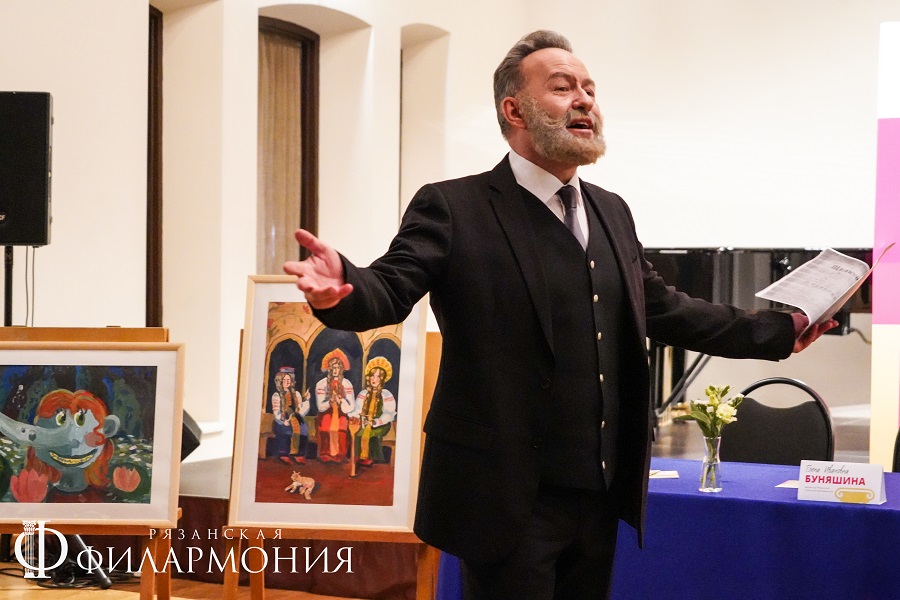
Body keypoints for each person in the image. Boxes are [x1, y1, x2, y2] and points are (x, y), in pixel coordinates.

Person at [283, 30, 836, 600]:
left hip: (598, 495)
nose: (584, 100)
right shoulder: (454, 206)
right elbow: (390, 287)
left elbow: (664, 307)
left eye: (589, 89)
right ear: (514, 110)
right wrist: (343, 288)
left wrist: (779, 329)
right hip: (503, 499)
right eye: (563, 87)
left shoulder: (610, 210)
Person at [350, 357, 397, 467]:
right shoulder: (363, 393)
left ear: (382, 379)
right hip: (364, 422)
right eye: (372, 375)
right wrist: (358, 419)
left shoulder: (386, 394)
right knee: (358, 434)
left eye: (378, 376)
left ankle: (371, 457)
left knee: (373, 435)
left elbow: (389, 414)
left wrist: (375, 422)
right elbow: (357, 410)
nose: (374, 379)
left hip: (381, 424)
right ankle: (359, 456)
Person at [314, 349, 355, 463]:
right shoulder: (321, 384)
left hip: (341, 412)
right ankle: (325, 453)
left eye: (338, 367)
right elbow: (320, 406)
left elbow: (351, 406)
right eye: (333, 367)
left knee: (342, 427)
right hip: (326, 412)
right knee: (325, 426)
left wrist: (341, 401)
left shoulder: (347, 383)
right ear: (329, 369)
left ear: (341, 369)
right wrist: (330, 402)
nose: (335, 370)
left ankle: (340, 455)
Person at [270, 367, 310, 464]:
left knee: (304, 430)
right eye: (284, 380)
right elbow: (277, 412)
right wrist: (283, 421)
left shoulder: (296, 394)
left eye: (289, 380)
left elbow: (301, 410)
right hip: (282, 419)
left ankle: (298, 454)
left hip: (295, 418)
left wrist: (306, 400)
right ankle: (284, 454)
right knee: (286, 431)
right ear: (280, 382)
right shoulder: (276, 395)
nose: (287, 382)